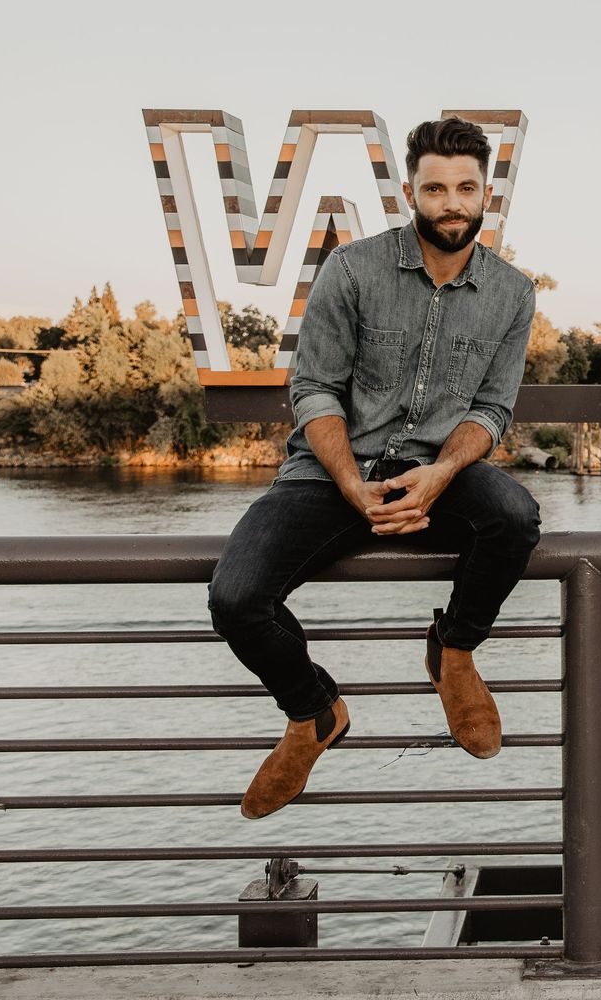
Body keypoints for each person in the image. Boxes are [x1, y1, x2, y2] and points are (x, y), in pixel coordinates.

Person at [209, 116, 542, 820]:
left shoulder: (514, 292)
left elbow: (491, 409)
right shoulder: (352, 269)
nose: (451, 202)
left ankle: (454, 654)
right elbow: (313, 390)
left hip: (436, 468)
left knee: (514, 517)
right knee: (236, 599)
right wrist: (354, 486)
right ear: (410, 192)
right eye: (435, 188)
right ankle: (313, 712)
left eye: (465, 187)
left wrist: (443, 473)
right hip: (332, 472)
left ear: (487, 193)